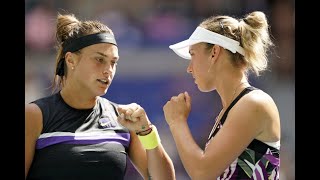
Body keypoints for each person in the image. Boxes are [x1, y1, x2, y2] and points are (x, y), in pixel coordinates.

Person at [25, 12, 175, 180]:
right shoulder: (34, 116)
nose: (108, 70)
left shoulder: (121, 119)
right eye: (99, 59)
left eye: (113, 62)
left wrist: (147, 132)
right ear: (71, 60)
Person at [163, 11, 280, 179]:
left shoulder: (253, 103)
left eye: (192, 54)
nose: (189, 68)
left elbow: (202, 172)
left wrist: (177, 121)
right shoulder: (232, 109)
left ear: (214, 52)